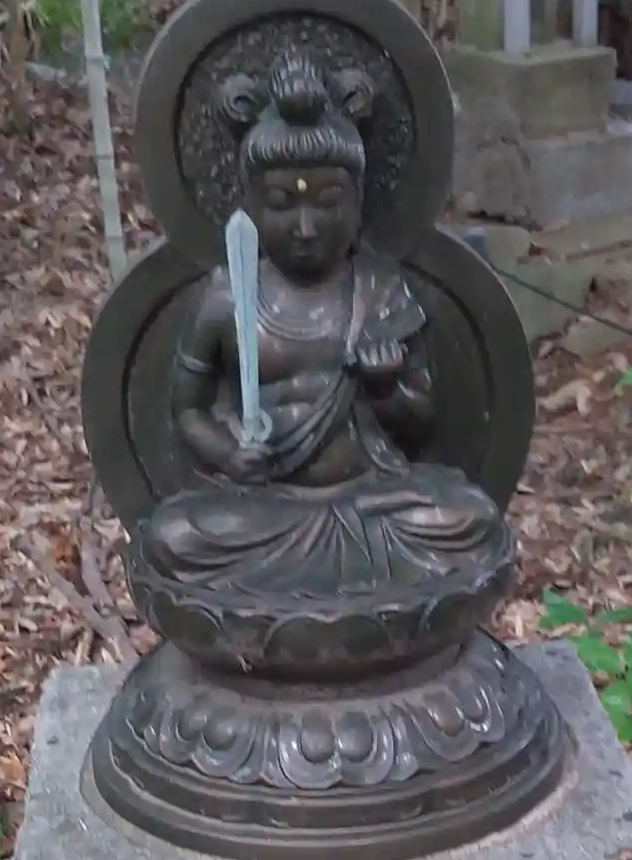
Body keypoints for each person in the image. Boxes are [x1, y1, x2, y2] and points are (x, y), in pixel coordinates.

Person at [137, 46, 505, 596]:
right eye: (282, 203)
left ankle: (315, 590)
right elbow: (188, 410)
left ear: (358, 201)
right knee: (175, 537)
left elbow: (420, 425)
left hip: (372, 498)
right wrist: (230, 456)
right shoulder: (228, 296)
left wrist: (386, 391)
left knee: (468, 518)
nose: (306, 227)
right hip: (266, 509)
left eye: (328, 202)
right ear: (249, 204)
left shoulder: (379, 289)